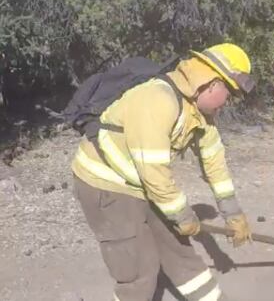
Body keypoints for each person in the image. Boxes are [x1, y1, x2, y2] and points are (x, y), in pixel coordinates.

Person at [71, 43, 255, 301]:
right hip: (106, 186)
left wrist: (233, 214)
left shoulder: (200, 113)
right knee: (139, 271)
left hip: (143, 186)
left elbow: (215, 162)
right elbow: (154, 173)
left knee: (180, 253)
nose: (228, 102)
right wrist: (183, 216)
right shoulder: (157, 101)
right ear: (212, 83)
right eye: (230, 93)